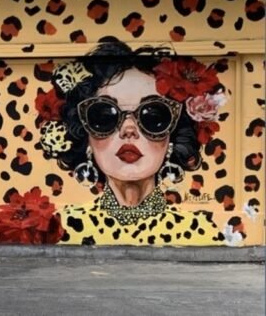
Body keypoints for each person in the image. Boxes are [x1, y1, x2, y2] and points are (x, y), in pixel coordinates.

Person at [35, 40, 227, 245]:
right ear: (85, 136)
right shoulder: (62, 230)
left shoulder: (200, 234)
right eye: (104, 115)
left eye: (153, 115)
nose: (129, 130)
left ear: (174, 133)